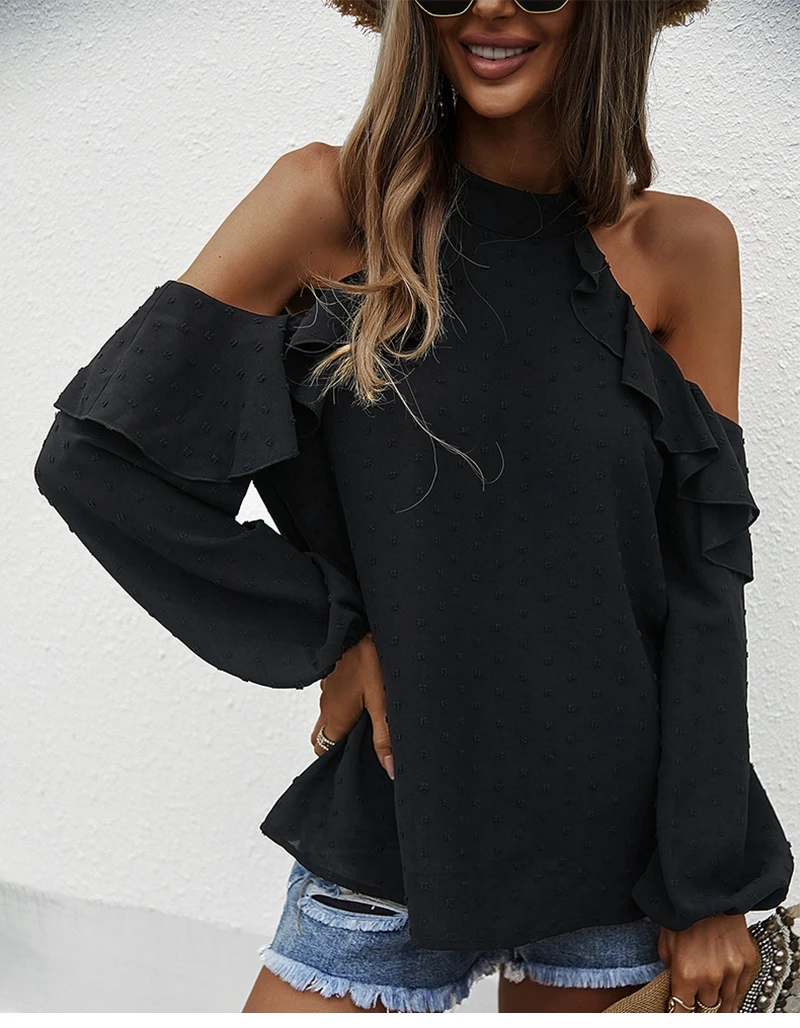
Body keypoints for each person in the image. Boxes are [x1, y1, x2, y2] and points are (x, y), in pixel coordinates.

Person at [33, 0, 794, 1015]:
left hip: (625, 853)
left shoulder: (682, 247)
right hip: (401, 816)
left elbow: (703, 583)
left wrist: (707, 883)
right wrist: (335, 634)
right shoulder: (323, 206)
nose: (490, 4)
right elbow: (98, 464)